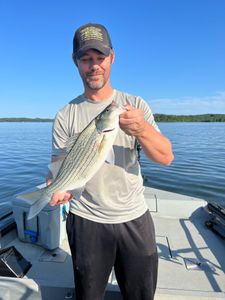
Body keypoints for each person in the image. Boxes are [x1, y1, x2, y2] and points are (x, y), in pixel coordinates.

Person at [48, 23, 174, 300]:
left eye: (100, 58)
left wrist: (142, 130)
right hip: (86, 220)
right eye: (86, 59)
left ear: (112, 58)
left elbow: (166, 157)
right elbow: (58, 163)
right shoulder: (65, 115)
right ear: (76, 63)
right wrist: (54, 184)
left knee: (141, 295)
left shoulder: (135, 104)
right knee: (89, 294)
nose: (94, 66)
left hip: (133, 217)